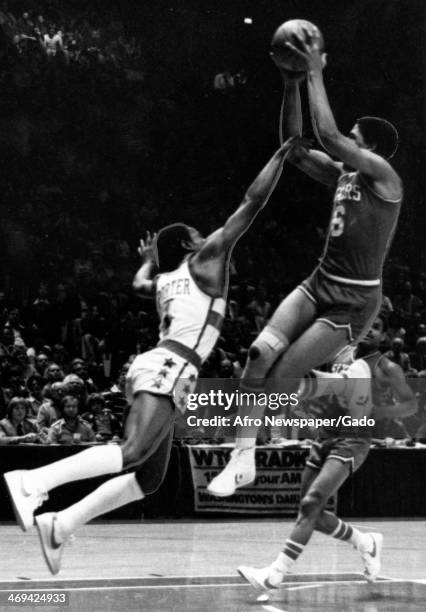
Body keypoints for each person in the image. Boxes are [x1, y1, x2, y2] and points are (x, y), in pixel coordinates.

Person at [4, 137, 297, 575]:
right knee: (133, 451)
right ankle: (34, 482)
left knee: (149, 478)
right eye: (199, 235)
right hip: (170, 364)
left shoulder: (164, 280)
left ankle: (61, 525)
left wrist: (146, 260)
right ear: (189, 246)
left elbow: (139, 284)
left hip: (161, 365)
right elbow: (251, 203)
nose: (208, 236)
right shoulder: (205, 262)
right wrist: (280, 156)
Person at [207, 25, 402, 497]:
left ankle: (340, 379)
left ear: (369, 149)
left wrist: (315, 69)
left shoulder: (385, 179)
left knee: (281, 380)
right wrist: (292, 84)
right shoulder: (343, 175)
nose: (347, 141)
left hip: (353, 301)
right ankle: (242, 458)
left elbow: (330, 135)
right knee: (257, 355)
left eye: (357, 139)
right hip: (320, 282)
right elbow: (293, 147)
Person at [238, 317, 417, 591]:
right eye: (368, 325)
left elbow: (410, 405)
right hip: (325, 436)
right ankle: (366, 543)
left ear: (384, 337)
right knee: (310, 513)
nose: (370, 330)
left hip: (353, 440)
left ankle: (274, 574)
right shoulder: (341, 354)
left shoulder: (387, 368)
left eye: (378, 327)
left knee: (312, 502)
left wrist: (377, 413)